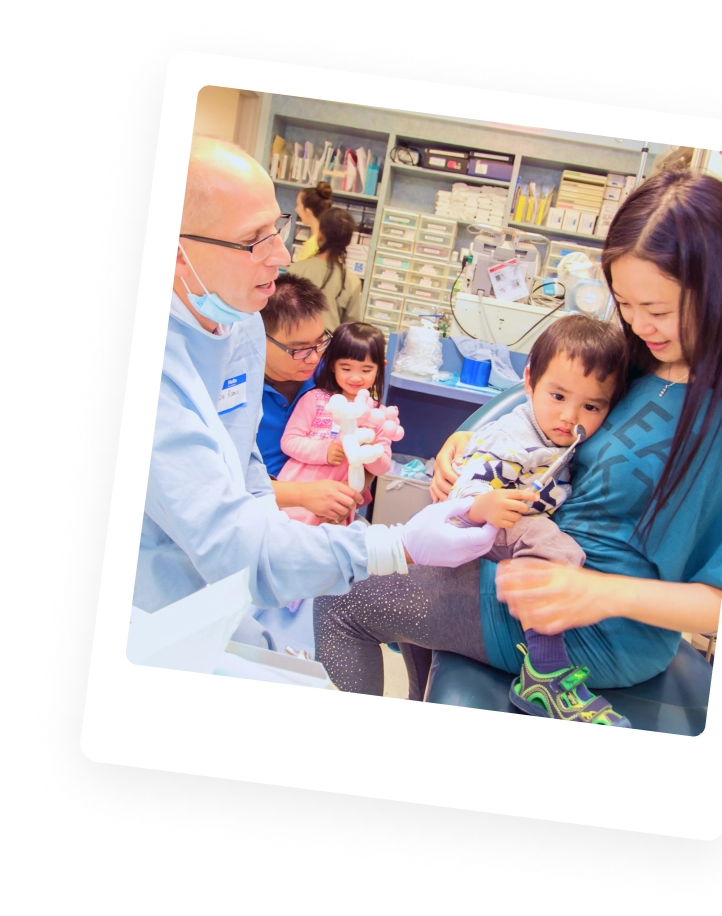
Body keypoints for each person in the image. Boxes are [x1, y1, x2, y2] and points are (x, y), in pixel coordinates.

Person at [312, 167, 722, 717]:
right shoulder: (645, 369)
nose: (641, 324)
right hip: (532, 573)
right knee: (412, 569)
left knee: (338, 597)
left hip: (588, 623)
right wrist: (464, 441)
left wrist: (597, 593)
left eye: (660, 310)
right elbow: (548, 410)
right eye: (625, 304)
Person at [133, 136, 497, 636]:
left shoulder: (240, 318)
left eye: (277, 227)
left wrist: (279, 532)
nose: (281, 255)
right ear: (175, 253)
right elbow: (228, 542)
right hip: (155, 608)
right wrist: (398, 545)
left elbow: (243, 458)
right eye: (254, 239)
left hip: (236, 587)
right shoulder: (146, 376)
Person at [447, 314, 629, 724]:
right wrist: (485, 506)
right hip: (481, 522)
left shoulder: (564, 437)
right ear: (529, 380)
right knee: (556, 550)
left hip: (511, 526)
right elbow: (459, 498)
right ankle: (545, 670)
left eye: (591, 405)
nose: (570, 416)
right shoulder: (511, 439)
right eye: (558, 396)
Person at [257, 273, 366, 525]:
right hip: (263, 510)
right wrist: (301, 495)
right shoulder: (238, 388)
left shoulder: (333, 375)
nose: (314, 358)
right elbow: (223, 484)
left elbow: (367, 441)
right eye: (299, 349)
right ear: (259, 337)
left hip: (328, 511)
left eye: (321, 342)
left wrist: (349, 493)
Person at [278, 322, 392, 526]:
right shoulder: (316, 399)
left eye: (366, 370)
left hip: (337, 507)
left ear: (380, 367)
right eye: (346, 368)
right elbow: (289, 441)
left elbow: (382, 467)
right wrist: (324, 451)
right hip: (297, 498)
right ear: (333, 365)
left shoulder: (378, 415)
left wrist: (369, 451)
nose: (355, 377)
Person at [287, 207, 362, 333]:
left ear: (320, 234)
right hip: (330, 347)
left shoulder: (297, 270)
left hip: (296, 345)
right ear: (348, 242)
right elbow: (351, 330)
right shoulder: (352, 282)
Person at [292, 182, 333, 262]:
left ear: (307, 211)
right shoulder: (330, 244)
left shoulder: (312, 246)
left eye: (298, 205)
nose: (296, 209)